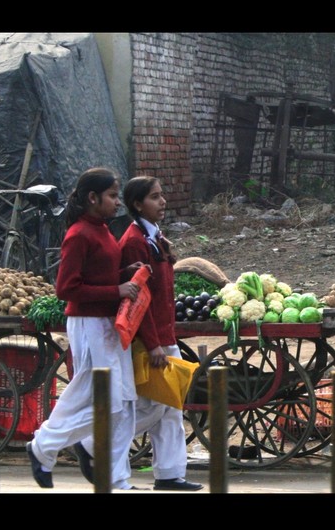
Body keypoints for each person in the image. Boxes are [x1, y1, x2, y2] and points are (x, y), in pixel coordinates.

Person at [73, 176, 204, 491]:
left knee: (171, 406)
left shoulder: (153, 237)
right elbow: (138, 300)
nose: (162, 203)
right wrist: (154, 343)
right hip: (151, 338)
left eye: (162, 196)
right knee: (151, 406)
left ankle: (170, 474)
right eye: (155, 197)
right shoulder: (133, 241)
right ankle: (91, 443)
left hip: (165, 332)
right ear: (137, 204)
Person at [26, 167, 143, 490]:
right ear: (93, 198)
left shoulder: (102, 230)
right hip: (89, 323)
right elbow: (66, 288)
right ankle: (46, 445)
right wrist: (115, 290)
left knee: (120, 401)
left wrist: (124, 273)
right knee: (102, 397)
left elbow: (99, 275)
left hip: (109, 323)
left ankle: (109, 470)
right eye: (113, 196)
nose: (118, 203)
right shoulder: (79, 234)